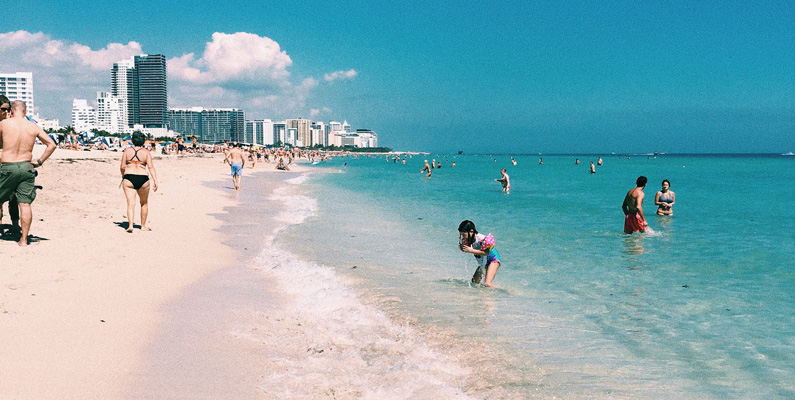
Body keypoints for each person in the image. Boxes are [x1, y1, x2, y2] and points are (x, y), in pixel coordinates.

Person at [0, 100, 57, 246]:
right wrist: (39, 162)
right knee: (25, 204)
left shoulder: (4, 124)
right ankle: (24, 240)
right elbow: (52, 144)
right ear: (25, 112)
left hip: (8, 166)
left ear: (11, 111)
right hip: (27, 167)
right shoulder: (33, 127)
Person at [120, 131, 158, 233]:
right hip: (143, 178)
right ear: (143, 141)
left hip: (129, 177)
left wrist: (123, 176)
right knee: (144, 203)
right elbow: (151, 167)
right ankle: (143, 226)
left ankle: (130, 225)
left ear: (132, 140)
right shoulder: (146, 153)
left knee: (130, 203)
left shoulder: (127, 151)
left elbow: (123, 167)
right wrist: (155, 180)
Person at [458, 220, 501, 288]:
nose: (463, 237)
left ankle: (505, 292)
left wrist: (471, 250)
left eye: (463, 234)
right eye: (461, 234)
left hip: (493, 260)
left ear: (471, 231)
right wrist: (461, 247)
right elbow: (465, 250)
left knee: (487, 283)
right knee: (474, 283)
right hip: (484, 262)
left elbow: (486, 253)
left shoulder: (481, 239)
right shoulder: (469, 239)